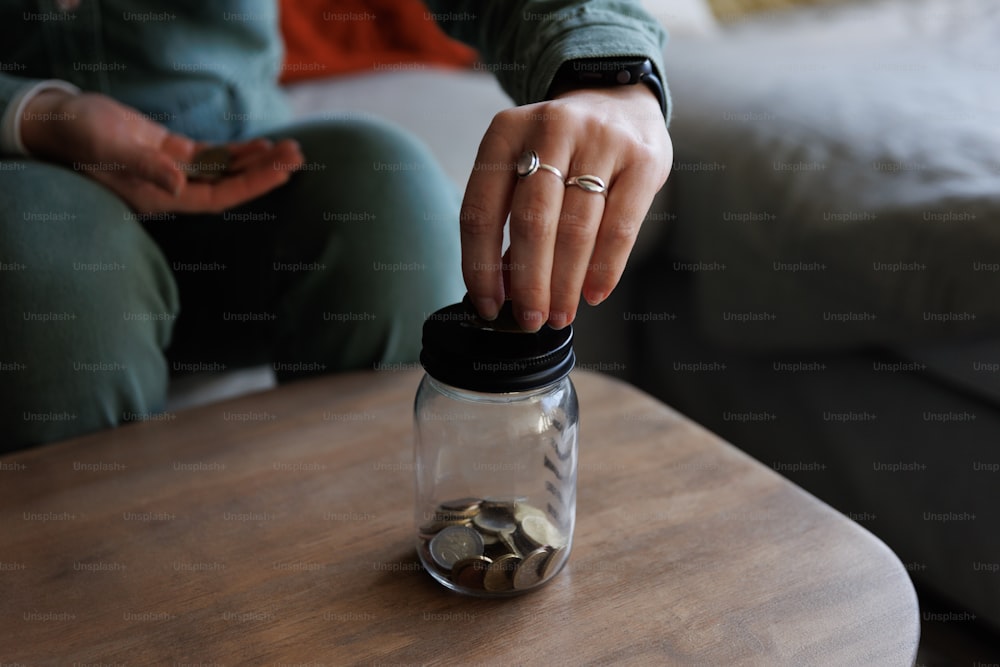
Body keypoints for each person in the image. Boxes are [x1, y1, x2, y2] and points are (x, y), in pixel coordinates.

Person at [0, 0, 672, 451]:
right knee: (53, 280)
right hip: (17, 173)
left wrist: (608, 71)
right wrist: (30, 115)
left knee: (386, 198)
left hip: (241, 160)